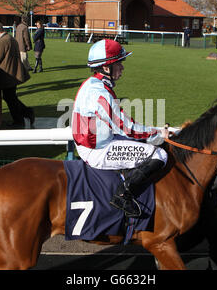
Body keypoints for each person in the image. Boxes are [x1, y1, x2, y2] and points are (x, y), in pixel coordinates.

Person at [72, 39, 169, 218]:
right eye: (119, 63)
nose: (122, 68)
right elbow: (126, 127)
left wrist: (152, 132)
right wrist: (158, 134)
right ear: (107, 68)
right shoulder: (100, 93)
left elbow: (123, 124)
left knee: (144, 142)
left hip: (98, 140)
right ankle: (123, 194)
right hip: (97, 150)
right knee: (159, 155)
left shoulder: (93, 83)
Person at [175, 158, 217, 270]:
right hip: (181, 216)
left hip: (199, 211)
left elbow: (210, 202)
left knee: (216, 230)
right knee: (180, 244)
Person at [0, 21, 35, 128]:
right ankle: (27, 113)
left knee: (10, 99)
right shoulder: (10, 38)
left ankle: (19, 120)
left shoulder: (3, 41)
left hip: (8, 74)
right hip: (13, 72)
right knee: (11, 98)